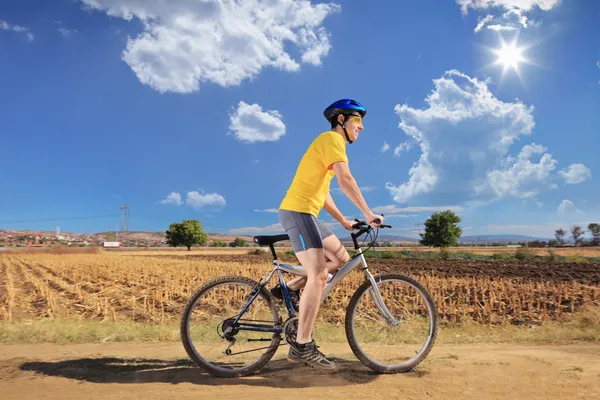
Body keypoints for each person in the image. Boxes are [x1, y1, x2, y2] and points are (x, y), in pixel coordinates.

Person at [274, 99, 384, 369]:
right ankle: (302, 346)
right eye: (357, 120)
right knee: (320, 274)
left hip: (308, 212)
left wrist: (345, 221)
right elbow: (346, 180)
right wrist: (369, 212)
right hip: (298, 211)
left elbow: (323, 196)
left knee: (341, 258)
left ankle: (286, 289)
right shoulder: (331, 140)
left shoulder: (330, 146)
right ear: (341, 120)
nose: (362, 127)